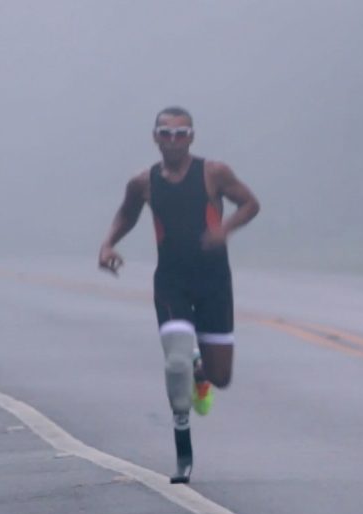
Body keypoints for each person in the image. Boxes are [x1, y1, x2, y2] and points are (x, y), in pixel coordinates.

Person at [97, 106, 260, 484]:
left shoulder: (213, 173)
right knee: (174, 364)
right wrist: (107, 245)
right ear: (154, 137)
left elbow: (251, 203)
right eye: (165, 133)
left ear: (191, 137)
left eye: (180, 133)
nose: (173, 140)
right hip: (171, 282)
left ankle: (200, 374)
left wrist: (226, 229)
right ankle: (183, 455)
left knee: (221, 377)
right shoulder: (144, 182)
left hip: (214, 282)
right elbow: (127, 214)